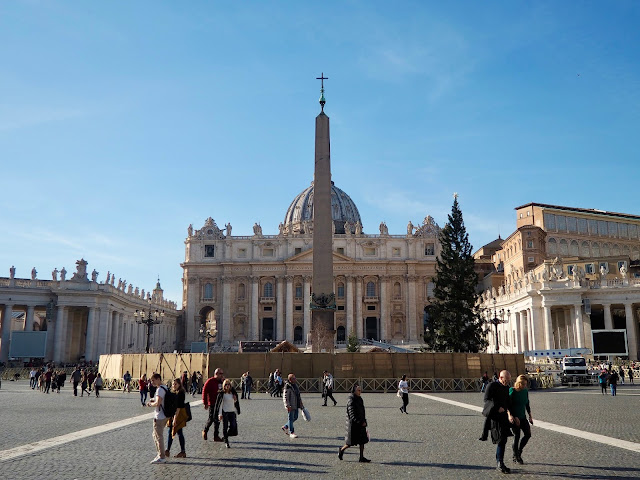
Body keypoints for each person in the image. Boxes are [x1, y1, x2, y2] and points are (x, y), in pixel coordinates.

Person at [482, 370, 516, 474]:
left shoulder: (506, 387)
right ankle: (500, 463)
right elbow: (486, 399)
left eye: (509, 381)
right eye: (506, 380)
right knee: (501, 439)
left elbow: (508, 403)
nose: (508, 383)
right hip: (494, 417)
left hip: (503, 417)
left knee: (504, 440)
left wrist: (512, 415)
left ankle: (500, 462)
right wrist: (497, 408)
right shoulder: (491, 386)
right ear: (500, 378)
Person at [338, 383, 370, 462]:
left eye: (360, 390)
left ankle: (361, 457)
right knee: (350, 443)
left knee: (362, 441)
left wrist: (364, 421)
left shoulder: (360, 398)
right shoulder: (351, 399)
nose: (360, 392)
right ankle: (341, 450)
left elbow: (362, 411)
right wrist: (359, 422)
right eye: (358, 390)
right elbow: (352, 413)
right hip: (353, 425)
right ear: (354, 391)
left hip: (361, 423)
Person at [509, 375, 533, 465]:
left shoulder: (525, 391)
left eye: (525, 384)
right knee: (517, 436)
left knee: (528, 434)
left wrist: (530, 416)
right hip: (515, 417)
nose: (524, 386)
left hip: (523, 416)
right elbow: (508, 405)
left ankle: (519, 451)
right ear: (518, 383)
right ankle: (516, 456)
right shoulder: (512, 390)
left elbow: (527, 404)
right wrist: (512, 416)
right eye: (523, 384)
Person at [146, 373, 167, 464]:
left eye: (153, 380)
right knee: (155, 435)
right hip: (165, 415)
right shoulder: (165, 387)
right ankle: (160, 454)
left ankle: (161, 456)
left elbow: (158, 403)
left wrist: (151, 404)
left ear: (158, 379)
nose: (152, 382)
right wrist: (153, 400)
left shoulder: (159, 390)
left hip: (159, 416)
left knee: (158, 437)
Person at [214, 379, 241, 448]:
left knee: (233, 426)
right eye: (226, 384)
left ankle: (225, 436)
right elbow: (220, 405)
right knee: (225, 427)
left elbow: (235, 403)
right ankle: (226, 441)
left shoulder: (233, 393)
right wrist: (220, 414)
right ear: (223, 386)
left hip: (232, 411)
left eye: (228, 384)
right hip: (225, 412)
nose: (227, 386)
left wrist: (235, 400)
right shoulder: (222, 393)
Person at [166, 378, 188, 458]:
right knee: (173, 432)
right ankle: (168, 450)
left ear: (179, 384)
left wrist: (175, 418)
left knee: (177, 432)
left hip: (178, 414)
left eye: (175, 384)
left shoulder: (181, 393)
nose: (174, 386)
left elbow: (179, 407)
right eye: (173, 384)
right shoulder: (174, 392)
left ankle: (180, 451)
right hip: (173, 414)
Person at [202, 368, 225, 442]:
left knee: (217, 420)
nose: (222, 375)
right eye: (220, 374)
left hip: (220, 403)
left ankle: (216, 436)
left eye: (222, 374)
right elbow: (204, 391)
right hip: (212, 403)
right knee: (211, 418)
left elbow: (227, 389)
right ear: (216, 374)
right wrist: (205, 403)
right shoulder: (210, 381)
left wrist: (224, 382)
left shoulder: (222, 382)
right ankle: (205, 430)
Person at [282, 373, 304, 438]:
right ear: (290, 379)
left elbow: (298, 395)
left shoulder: (295, 385)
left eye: (295, 378)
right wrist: (287, 405)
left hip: (296, 404)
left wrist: (300, 402)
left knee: (295, 417)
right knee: (291, 419)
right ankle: (292, 432)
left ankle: (285, 426)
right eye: (294, 378)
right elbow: (285, 397)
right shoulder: (287, 386)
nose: (295, 379)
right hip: (291, 405)